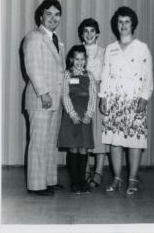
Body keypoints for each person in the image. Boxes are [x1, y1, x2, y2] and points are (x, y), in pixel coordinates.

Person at [99, 6, 153, 195]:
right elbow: (105, 74)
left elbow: (148, 75)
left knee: (134, 142)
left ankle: (132, 179)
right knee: (115, 142)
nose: (123, 25)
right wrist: (103, 97)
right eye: (120, 22)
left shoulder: (141, 48)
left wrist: (144, 97)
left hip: (135, 101)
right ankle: (117, 178)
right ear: (116, 24)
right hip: (115, 102)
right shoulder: (110, 49)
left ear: (133, 24)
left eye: (127, 21)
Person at [23, 0, 66, 196]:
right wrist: (44, 92)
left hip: (55, 100)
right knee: (38, 142)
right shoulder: (34, 37)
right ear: (41, 16)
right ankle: (36, 185)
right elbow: (33, 67)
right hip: (41, 98)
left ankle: (48, 180)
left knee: (49, 143)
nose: (53, 18)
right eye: (48, 14)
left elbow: (60, 72)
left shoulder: (59, 42)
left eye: (57, 14)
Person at [58, 45, 96, 194]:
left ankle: (82, 181)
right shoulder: (68, 74)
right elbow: (65, 95)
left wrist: (89, 113)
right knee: (73, 147)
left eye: (82, 59)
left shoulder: (90, 76)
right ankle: (74, 182)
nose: (79, 62)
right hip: (71, 116)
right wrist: (72, 114)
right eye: (76, 59)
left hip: (85, 115)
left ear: (85, 60)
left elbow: (93, 95)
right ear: (71, 59)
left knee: (83, 148)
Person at [78, 18, 109, 188]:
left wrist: (103, 97)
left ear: (97, 33)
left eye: (92, 31)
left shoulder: (105, 52)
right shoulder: (77, 52)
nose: (89, 34)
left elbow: (107, 77)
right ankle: (85, 171)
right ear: (81, 34)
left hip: (99, 94)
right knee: (83, 134)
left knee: (99, 134)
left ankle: (98, 171)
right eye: (86, 31)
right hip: (81, 96)